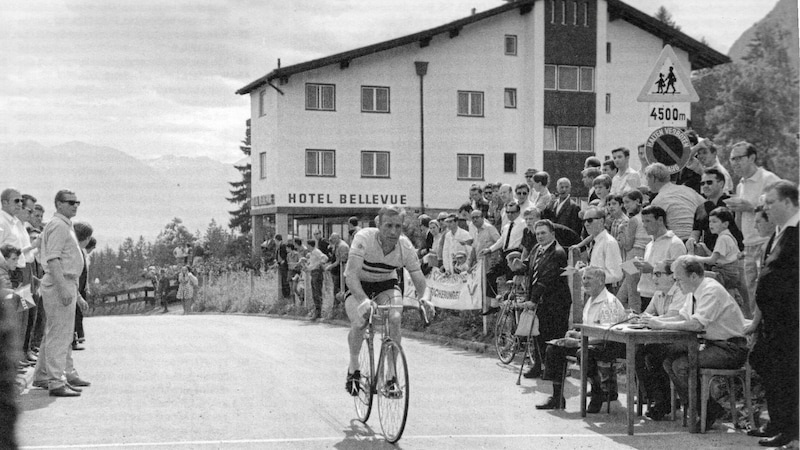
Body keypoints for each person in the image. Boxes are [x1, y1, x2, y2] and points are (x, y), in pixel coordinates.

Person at [642, 256, 749, 431]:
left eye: (678, 279)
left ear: (693, 276)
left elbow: (697, 324)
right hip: (713, 345)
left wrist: (661, 324)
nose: (676, 284)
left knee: (681, 366)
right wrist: (653, 320)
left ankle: (706, 410)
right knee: (669, 362)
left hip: (731, 348)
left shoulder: (710, 291)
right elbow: (682, 317)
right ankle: (706, 408)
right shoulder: (693, 291)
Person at [344, 206, 428, 396]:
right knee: (359, 322)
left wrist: (425, 299)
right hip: (360, 284)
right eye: (388, 226)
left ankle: (391, 376)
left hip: (386, 284)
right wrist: (363, 300)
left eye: (398, 226)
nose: (393, 232)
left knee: (395, 318)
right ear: (378, 224)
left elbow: (419, 279)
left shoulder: (404, 246)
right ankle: (354, 367)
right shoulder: (363, 238)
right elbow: (351, 275)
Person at [746, 180, 798, 448]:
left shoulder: (797, 231)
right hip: (773, 321)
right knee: (774, 371)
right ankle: (779, 425)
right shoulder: (780, 232)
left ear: (788, 202)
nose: (766, 208)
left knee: (789, 376)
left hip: (791, 320)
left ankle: (791, 431)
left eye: (771, 203)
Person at [536, 267, 626, 411]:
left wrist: (578, 342)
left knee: (584, 353)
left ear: (601, 281)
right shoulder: (590, 300)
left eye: (589, 278)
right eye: (583, 278)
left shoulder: (609, 302)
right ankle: (557, 397)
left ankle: (598, 392)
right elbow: (589, 329)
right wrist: (575, 334)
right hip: (591, 342)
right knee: (554, 348)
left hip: (609, 345)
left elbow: (607, 335)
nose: (584, 282)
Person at [32, 189, 90, 397]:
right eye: (70, 202)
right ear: (58, 204)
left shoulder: (63, 225)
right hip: (60, 283)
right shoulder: (58, 226)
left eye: (77, 202)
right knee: (61, 334)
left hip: (65, 282)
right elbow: (53, 259)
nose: (75, 205)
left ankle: (43, 374)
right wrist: (63, 287)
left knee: (55, 332)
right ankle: (57, 381)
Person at [509, 220, 571, 379]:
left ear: (552, 233)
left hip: (555, 302)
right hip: (540, 300)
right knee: (537, 334)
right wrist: (520, 266)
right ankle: (538, 365)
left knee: (553, 336)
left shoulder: (558, 253)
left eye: (543, 233)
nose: (540, 236)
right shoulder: (537, 248)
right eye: (537, 234)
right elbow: (530, 266)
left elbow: (545, 279)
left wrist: (533, 300)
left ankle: (554, 371)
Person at [727, 141, 781, 319]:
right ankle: (756, 340)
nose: (735, 163)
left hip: (767, 243)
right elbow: (741, 218)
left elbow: (782, 211)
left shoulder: (769, 179)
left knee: (768, 294)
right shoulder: (741, 185)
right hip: (749, 246)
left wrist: (750, 206)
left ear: (752, 158)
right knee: (752, 295)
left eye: (739, 158)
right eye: (732, 159)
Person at [634, 259, 687, 420]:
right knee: (641, 353)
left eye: (658, 274)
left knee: (649, 353)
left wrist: (651, 319)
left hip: (683, 340)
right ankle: (658, 399)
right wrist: (637, 318)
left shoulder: (680, 291)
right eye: (652, 274)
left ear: (672, 276)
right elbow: (648, 314)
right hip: (666, 340)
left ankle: (663, 401)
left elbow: (673, 316)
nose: (654, 278)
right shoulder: (658, 293)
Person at [690, 207, 745, 312]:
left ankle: (699, 308)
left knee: (694, 276)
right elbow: (717, 257)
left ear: (725, 224)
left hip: (726, 275)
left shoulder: (723, 238)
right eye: (710, 221)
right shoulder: (728, 236)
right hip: (731, 274)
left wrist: (693, 258)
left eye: (715, 221)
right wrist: (705, 248)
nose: (711, 225)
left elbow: (712, 260)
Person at [633, 205, 687, 312]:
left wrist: (651, 269)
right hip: (645, 293)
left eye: (648, 221)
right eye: (643, 221)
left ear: (660, 220)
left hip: (666, 296)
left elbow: (679, 273)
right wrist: (635, 265)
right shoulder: (649, 244)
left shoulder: (675, 243)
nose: (644, 225)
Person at [687, 168, 744, 257]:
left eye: (709, 182)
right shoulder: (700, 208)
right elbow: (696, 231)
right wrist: (691, 240)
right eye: (703, 183)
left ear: (721, 183)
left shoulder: (733, 203)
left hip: (733, 257)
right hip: (710, 257)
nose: (705, 186)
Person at [645, 162, 705, 241]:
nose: (647, 183)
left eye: (647, 179)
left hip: (676, 242)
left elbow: (656, 230)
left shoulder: (657, 201)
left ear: (653, 178)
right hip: (695, 239)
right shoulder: (688, 190)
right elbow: (706, 205)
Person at [480, 201, 525, 301]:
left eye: (512, 212)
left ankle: (512, 308)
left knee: (511, 282)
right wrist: (490, 249)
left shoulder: (523, 224)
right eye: (508, 212)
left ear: (518, 212)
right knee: (490, 275)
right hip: (505, 254)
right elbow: (501, 241)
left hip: (515, 254)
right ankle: (495, 302)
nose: (510, 215)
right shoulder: (506, 226)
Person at [616, 190, 649, 312]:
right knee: (623, 293)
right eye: (624, 203)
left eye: (627, 202)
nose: (625, 205)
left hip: (633, 255)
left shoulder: (634, 220)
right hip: (644, 254)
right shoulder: (645, 218)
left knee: (632, 293)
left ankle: (634, 316)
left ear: (638, 201)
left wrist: (620, 231)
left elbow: (627, 245)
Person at [574, 206, 623, 288]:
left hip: (605, 289)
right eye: (584, 221)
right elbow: (598, 266)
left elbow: (616, 274)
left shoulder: (609, 242)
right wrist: (586, 268)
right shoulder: (595, 241)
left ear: (601, 221)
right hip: (593, 289)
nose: (586, 224)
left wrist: (589, 275)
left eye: (590, 220)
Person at [71, 222, 93, 351]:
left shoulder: (78, 250)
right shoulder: (75, 251)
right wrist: (78, 296)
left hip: (75, 289)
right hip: (71, 289)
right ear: (87, 238)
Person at [304, 239, 328, 320]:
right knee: (314, 292)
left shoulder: (316, 252)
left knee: (317, 292)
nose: (307, 247)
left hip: (317, 273)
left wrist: (320, 264)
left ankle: (319, 311)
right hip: (313, 272)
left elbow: (324, 257)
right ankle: (316, 310)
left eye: (307, 245)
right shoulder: (311, 253)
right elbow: (312, 263)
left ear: (310, 245)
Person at [325, 233, 349, 300]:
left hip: (340, 271)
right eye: (332, 239)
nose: (333, 240)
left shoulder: (342, 246)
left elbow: (341, 260)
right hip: (336, 270)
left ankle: (339, 305)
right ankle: (337, 305)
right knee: (336, 289)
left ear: (339, 237)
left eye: (335, 238)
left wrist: (330, 266)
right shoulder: (336, 245)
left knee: (339, 288)